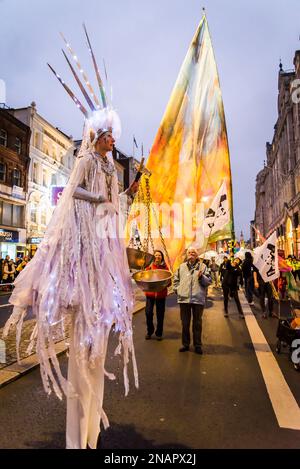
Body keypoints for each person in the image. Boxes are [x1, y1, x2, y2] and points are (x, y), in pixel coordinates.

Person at [3, 30, 140, 449]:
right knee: (83, 350)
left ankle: (88, 435)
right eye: (109, 135)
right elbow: (75, 189)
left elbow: (111, 204)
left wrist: (120, 194)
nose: (113, 140)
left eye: (114, 136)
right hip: (81, 245)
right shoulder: (85, 160)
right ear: (97, 134)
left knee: (94, 351)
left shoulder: (109, 167)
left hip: (100, 246)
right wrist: (98, 195)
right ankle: (77, 438)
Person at [173, 246, 212, 354]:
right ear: (187, 254)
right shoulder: (181, 267)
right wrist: (178, 290)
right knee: (185, 323)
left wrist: (202, 277)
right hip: (184, 299)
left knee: (197, 323)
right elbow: (175, 280)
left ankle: (197, 345)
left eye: (193, 252)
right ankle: (185, 344)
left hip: (198, 299)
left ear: (197, 255)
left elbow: (209, 281)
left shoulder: (203, 267)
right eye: (189, 252)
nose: (191, 254)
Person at [144, 250, 170, 341]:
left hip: (161, 295)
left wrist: (165, 283)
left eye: (159, 255)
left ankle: (159, 333)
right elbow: (144, 278)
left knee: (160, 314)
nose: (157, 256)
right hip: (150, 295)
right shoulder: (149, 267)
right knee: (148, 313)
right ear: (153, 257)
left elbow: (169, 282)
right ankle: (150, 331)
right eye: (156, 255)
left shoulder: (165, 268)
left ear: (162, 257)